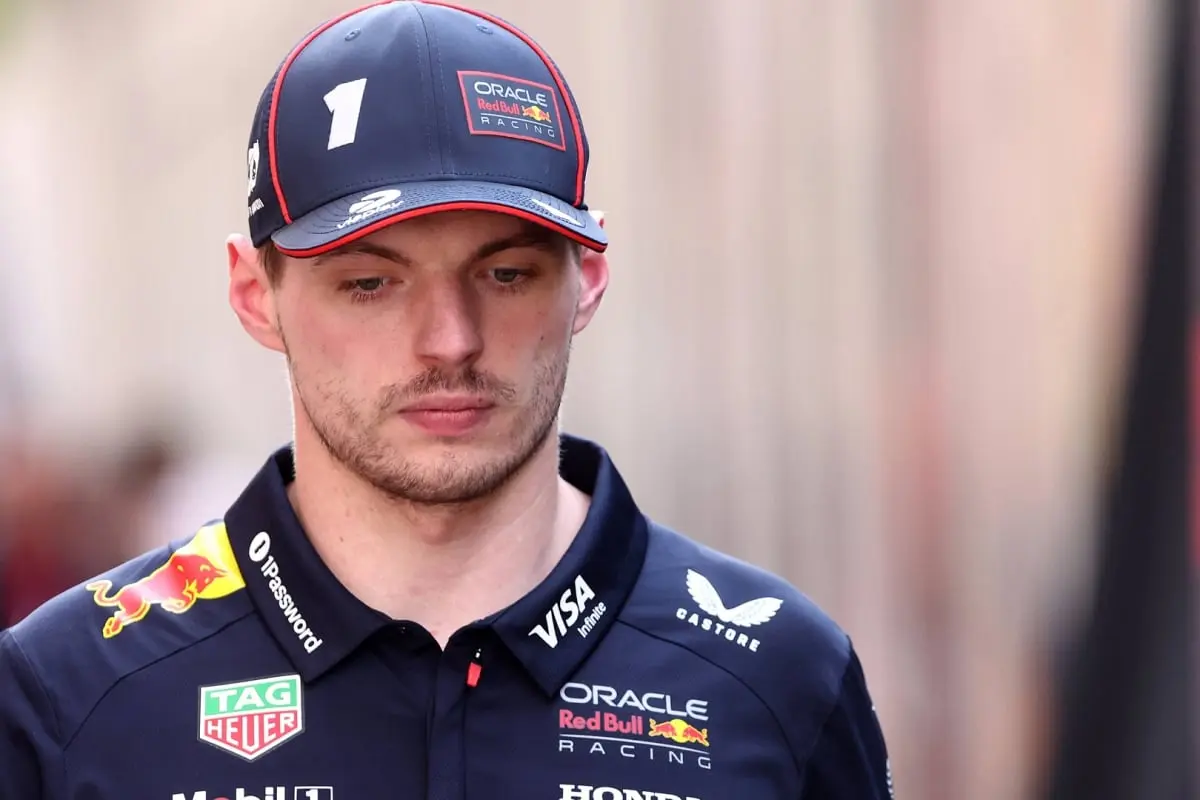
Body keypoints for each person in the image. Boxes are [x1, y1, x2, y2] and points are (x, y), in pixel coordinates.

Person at [0, 2, 894, 798]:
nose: (450, 340)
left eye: (505, 275)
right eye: (370, 283)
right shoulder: (69, 693)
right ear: (253, 295)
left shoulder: (777, 675)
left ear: (588, 279)